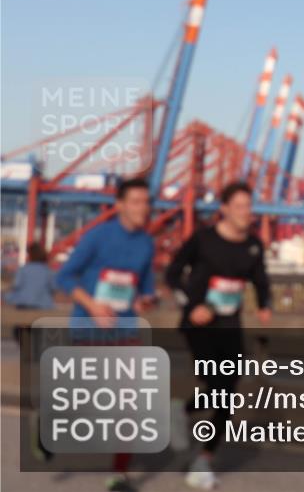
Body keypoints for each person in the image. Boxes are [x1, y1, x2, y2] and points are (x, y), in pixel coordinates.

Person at [165, 181, 272, 491]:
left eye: (249, 207)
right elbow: (173, 273)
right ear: (223, 209)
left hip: (230, 324)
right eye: (239, 207)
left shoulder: (253, 245)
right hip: (198, 324)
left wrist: (264, 304)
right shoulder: (203, 239)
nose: (246, 213)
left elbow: (260, 278)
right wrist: (192, 304)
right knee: (218, 386)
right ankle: (180, 412)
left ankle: (203, 461)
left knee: (227, 393)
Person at [54, 177, 157, 492]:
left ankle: (119, 474)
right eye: (137, 202)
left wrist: (145, 298)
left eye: (146, 201)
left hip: (125, 328)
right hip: (89, 326)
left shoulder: (147, 243)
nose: (144, 208)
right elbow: (64, 276)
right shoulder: (97, 236)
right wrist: (93, 305)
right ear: (120, 205)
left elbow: (145, 285)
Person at [6, 243, 55, 309]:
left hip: (23, 302)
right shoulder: (48, 271)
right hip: (44, 303)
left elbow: (16, 285)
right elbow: (53, 288)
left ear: (30, 255)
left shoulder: (23, 269)